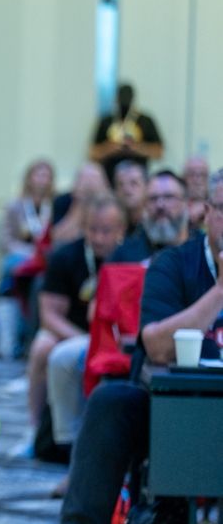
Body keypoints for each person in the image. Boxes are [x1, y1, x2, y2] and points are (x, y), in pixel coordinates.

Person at [60, 169, 223, 523]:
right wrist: (220, 292)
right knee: (110, 401)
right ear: (207, 213)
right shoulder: (173, 264)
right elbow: (156, 346)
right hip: (176, 409)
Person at [45, 171, 190, 498]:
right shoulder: (127, 251)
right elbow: (98, 310)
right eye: (153, 199)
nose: (161, 206)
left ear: (187, 205)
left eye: (169, 198)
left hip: (183, 349)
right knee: (64, 358)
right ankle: (75, 463)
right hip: (122, 346)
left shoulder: (198, 251)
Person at [17, 196, 124, 459]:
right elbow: (49, 316)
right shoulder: (65, 256)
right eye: (92, 230)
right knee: (42, 347)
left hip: (119, 336)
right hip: (73, 332)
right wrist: (88, 338)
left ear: (121, 231)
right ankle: (35, 430)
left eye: (106, 231)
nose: (98, 238)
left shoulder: (132, 256)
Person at [0, 160, 55, 358]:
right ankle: (9, 330)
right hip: (22, 256)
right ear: (29, 178)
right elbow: (5, 241)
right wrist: (28, 252)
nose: (41, 180)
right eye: (38, 175)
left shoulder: (54, 207)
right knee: (12, 266)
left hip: (45, 259)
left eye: (46, 175)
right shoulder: (14, 206)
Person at [89, 83, 163, 185]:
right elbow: (93, 154)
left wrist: (135, 148)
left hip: (138, 181)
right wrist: (112, 147)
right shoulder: (107, 121)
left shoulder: (145, 121)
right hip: (110, 180)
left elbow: (159, 152)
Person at [51, 163, 109, 247]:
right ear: (75, 182)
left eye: (94, 178)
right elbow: (57, 238)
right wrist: (79, 203)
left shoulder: (112, 203)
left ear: (105, 184)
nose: (89, 183)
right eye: (85, 178)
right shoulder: (62, 200)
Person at [112, 160, 146, 235]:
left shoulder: (155, 225)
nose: (127, 190)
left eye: (134, 183)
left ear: (146, 187)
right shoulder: (110, 228)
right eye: (121, 184)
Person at [182, 155, 209, 230]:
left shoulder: (216, 203)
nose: (198, 180)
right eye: (192, 175)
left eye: (202, 175)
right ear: (183, 178)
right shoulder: (177, 202)